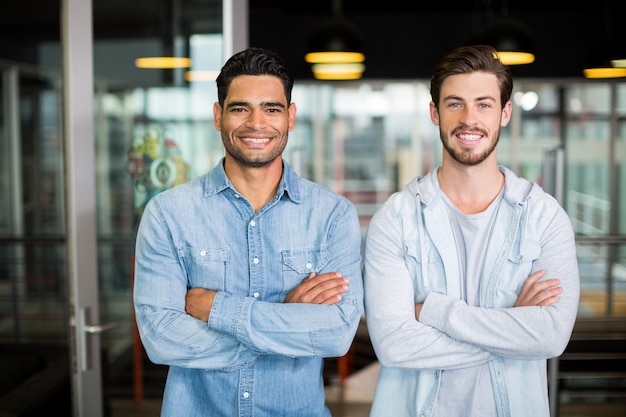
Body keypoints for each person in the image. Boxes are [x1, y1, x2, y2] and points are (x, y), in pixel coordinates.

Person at [133, 47, 364, 417]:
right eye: (240, 108)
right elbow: (161, 338)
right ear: (218, 116)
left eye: (271, 109)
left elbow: (334, 334)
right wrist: (284, 323)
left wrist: (215, 309)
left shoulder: (332, 216)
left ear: (290, 117)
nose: (256, 123)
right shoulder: (168, 214)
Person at [363, 44, 580, 417]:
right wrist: (513, 329)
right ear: (435, 112)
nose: (469, 118)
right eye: (454, 104)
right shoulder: (396, 218)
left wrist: (436, 311)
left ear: (505, 112)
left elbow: (550, 336)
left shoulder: (544, 217)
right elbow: (394, 344)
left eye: (484, 104)